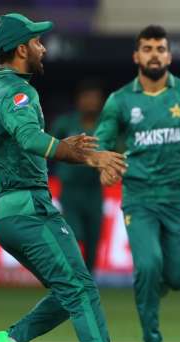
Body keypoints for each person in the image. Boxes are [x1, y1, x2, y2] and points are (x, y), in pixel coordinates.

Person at [0, 13, 159, 342]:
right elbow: (27, 137)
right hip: (28, 207)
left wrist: (71, 150)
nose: (44, 47)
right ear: (22, 49)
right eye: (38, 42)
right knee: (79, 287)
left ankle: (11, 341)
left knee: (71, 287)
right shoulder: (17, 92)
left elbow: (19, 139)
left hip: (8, 210)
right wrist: (84, 157)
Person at [95, 25, 180, 342]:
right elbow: (101, 141)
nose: (154, 53)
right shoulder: (120, 100)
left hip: (177, 198)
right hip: (138, 197)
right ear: (137, 56)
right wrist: (103, 165)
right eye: (147, 48)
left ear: (169, 55)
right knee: (148, 265)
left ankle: (153, 288)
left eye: (160, 48)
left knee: (179, 278)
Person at [51, 80, 106, 273]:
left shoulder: (106, 126)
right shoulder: (65, 124)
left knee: (93, 243)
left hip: (94, 192)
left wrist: (110, 168)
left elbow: (118, 151)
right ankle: (69, 278)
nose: (91, 102)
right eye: (87, 97)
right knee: (74, 235)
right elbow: (48, 148)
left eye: (95, 98)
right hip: (71, 192)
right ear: (78, 100)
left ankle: (88, 284)